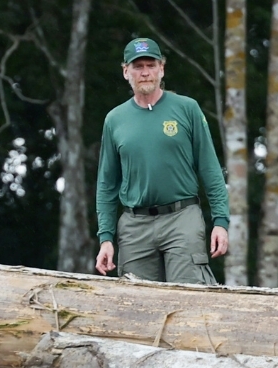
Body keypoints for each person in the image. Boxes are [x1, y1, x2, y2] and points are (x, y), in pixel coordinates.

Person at [94, 38, 230, 282]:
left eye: (151, 65)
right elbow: (107, 184)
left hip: (182, 217)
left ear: (161, 69)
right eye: (138, 66)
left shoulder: (187, 108)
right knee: (137, 304)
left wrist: (220, 221)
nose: (145, 72)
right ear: (126, 71)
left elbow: (209, 168)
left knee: (189, 298)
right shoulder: (114, 119)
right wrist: (105, 238)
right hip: (135, 225)